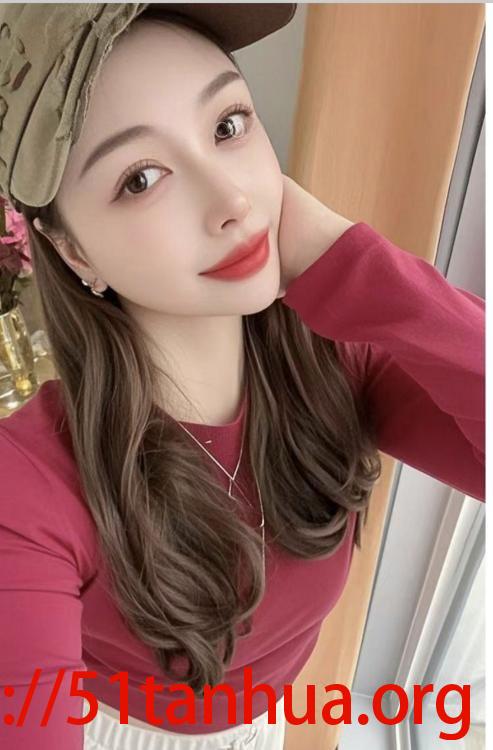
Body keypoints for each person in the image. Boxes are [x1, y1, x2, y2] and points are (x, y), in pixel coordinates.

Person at [0, 4, 484, 750]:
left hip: (278, 719)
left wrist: (353, 264)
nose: (231, 201)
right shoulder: (28, 483)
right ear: (73, 252)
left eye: (228, 125)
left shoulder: (337, 358)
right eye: (141, 178)